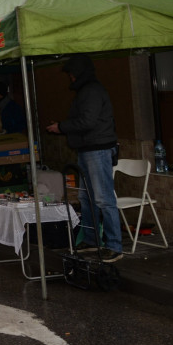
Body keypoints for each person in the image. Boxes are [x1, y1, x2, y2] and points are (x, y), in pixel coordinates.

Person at [46, 54, 123, 263]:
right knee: (87, 198)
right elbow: (86, 120)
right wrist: (63, 126)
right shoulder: (87, 90)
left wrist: (61, 126)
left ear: (78, 73)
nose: (70, 78)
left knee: (102, 198)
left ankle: (114, 245)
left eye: (71, 74)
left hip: (97, 150)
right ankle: (91, 240)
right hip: (89, 149)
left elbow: (87, 121)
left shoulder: (91, 91)